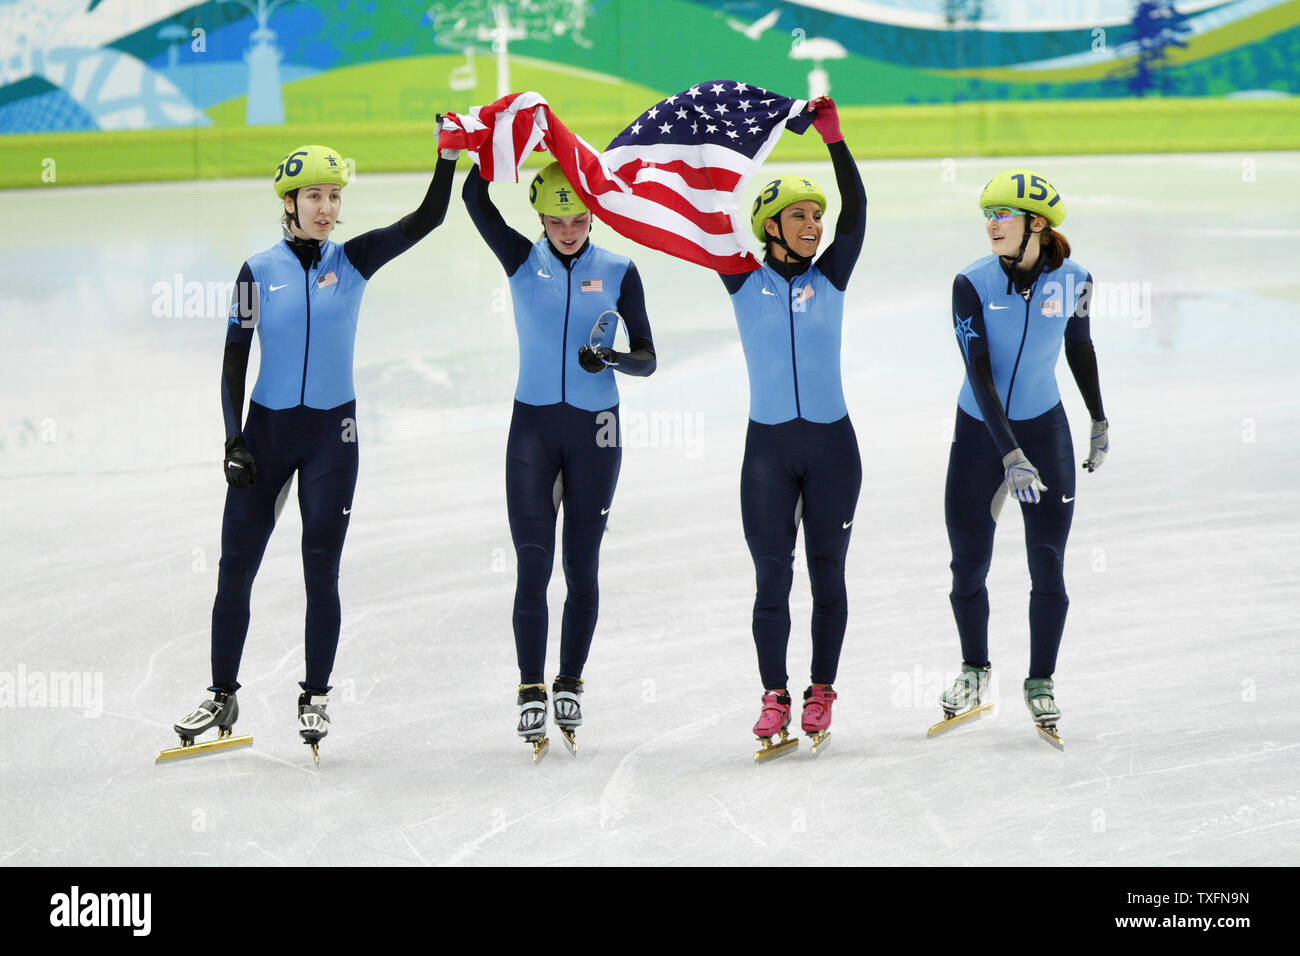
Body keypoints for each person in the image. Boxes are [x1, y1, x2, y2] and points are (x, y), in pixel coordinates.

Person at [168, 137, 456, 763]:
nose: (325, 207)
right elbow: (233, 360)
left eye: (334, 196)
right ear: (289, 202)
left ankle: (316, 695)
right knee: (234, 569)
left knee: (320, 568)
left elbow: (428, 218)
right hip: (267, 438)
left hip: (334, 438)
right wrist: (233, 438)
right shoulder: (257, 271)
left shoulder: (353, 261)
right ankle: (222, 693)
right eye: (314, 196)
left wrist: (446, 156)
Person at [462, 160, 657, 759]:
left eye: (578, 219)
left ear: (592, 214)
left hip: (598, 429)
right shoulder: (522, 259)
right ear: (539, 217)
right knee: (532, 562)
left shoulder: (621, 270)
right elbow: (475, 199)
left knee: (582, 562)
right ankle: (530, 685)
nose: (569, 230)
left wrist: (614, 360)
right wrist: (481, 145)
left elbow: (648, 358)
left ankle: (570, 679)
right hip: (534, 430)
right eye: (557, 219)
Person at [715, 96, 866, 759]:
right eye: (800, 215)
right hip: (769, 453)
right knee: (772, 579)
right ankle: (774, 695)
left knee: (827, 577)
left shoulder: (831, 276)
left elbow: (857, 214)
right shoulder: (741, 279)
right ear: (769, 225)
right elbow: (706, 217)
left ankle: (821, 690)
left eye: (817, 215)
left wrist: (836, 143)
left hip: (834, 449)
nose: (814, 224)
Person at [938, 168, 1108, 745]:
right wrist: (1008, 451)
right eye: (986, 215)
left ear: (1036, 223)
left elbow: (1079, 347)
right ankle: (974, 668)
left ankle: (1041, 681)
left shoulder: (1077, 279)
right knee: (967, 564)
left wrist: (1098, 418)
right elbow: (977, 371)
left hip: (1046, 431)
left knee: (1049, 565)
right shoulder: (971, 282)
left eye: (1001, 215)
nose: (991, 225)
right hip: (983, 434)